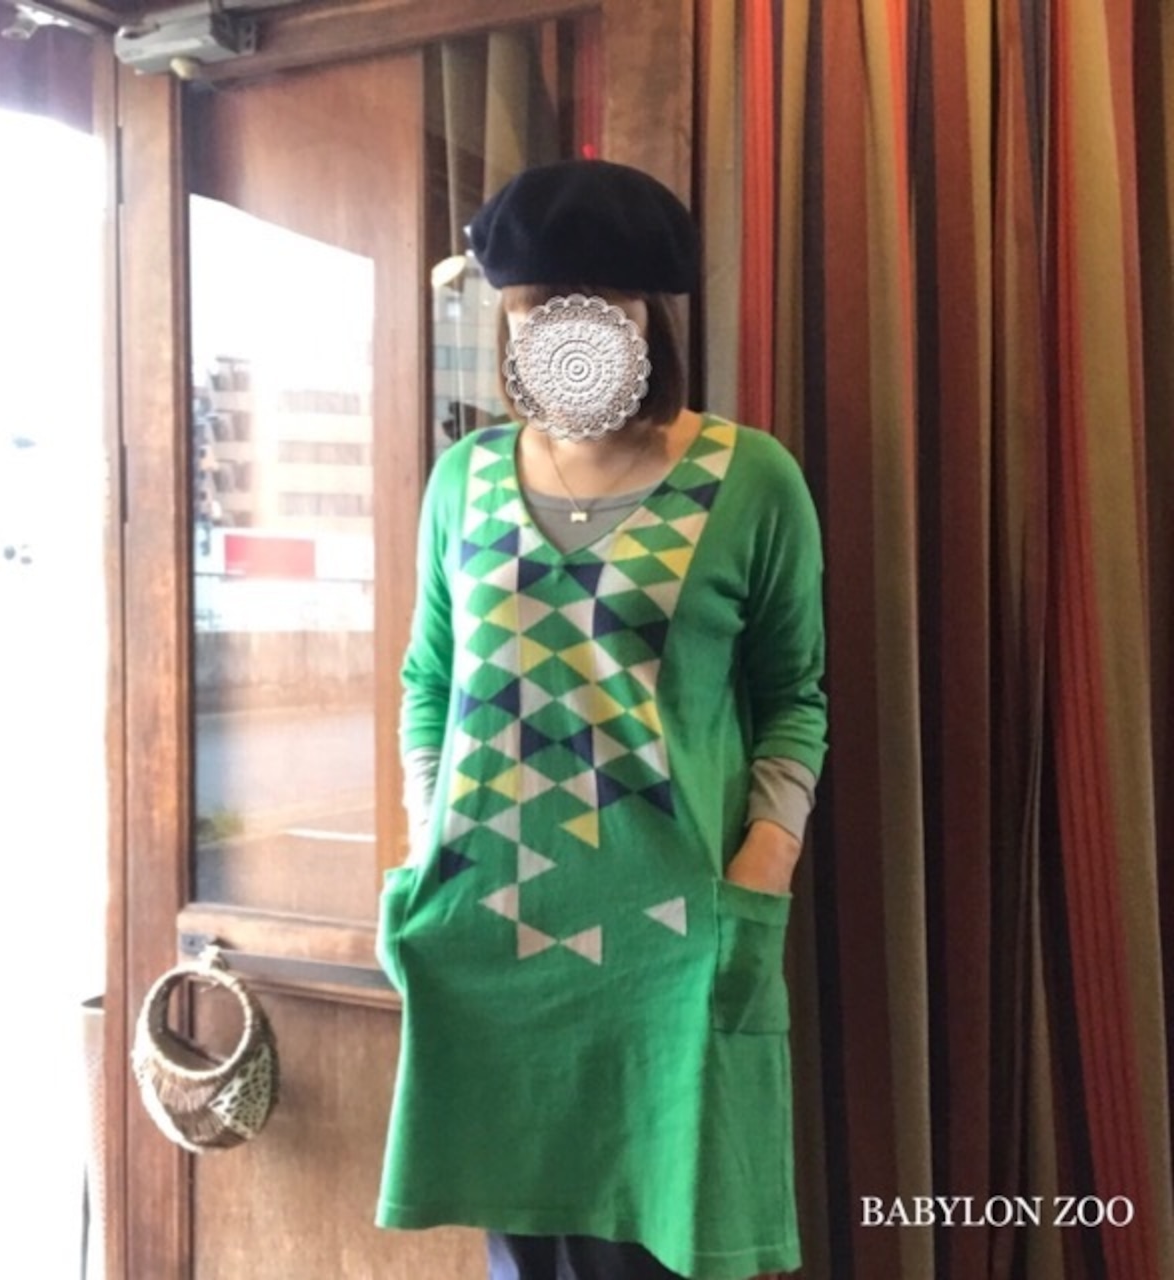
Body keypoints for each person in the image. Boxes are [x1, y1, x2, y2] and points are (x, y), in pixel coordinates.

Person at [376, 158, 828, 1280]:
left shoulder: (750, 478)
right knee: (521, 1253)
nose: (562, 339)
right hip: (490, 935)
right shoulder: (464, 478)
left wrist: (757, 875)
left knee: (671, 1246)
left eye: (595, 311)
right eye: (535, 313)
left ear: (646, 318)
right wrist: (427, 842)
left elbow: (795, 698)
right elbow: (428, 677)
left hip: (670, 944)